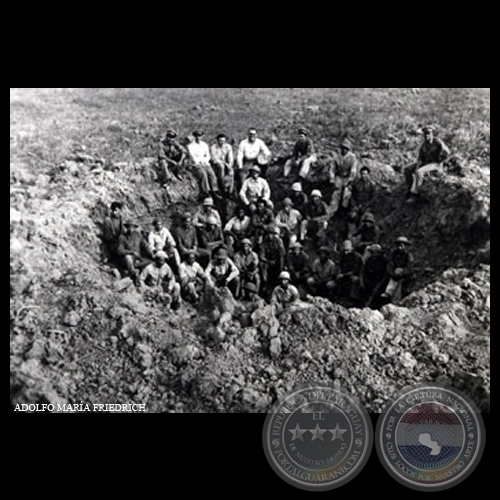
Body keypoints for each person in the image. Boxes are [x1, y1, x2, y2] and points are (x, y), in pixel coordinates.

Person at [405, 126, 450, 202]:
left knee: (419, 172)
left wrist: (440, 162)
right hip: (426, 163)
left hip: (435, 164)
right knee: (407, 169)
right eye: (425, 134)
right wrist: (417, 166)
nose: (426, 136)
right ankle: (409, 188)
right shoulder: (424, 146)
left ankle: (415, 194)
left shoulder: (437, 142)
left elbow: (447, 153)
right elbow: (420, 158)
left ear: (432, 134)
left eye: (428, 134)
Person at [329, 139, 358, 217]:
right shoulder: (337, 157)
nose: (344, 150)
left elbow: (353, 169)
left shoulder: (352, 157)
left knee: (347, 194)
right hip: (339, 176)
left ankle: (344, 210)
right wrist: (332, 179)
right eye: (343, 148)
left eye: (346, 148)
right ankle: (332, 212)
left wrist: (350, 181)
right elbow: (332, 168)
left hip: (347, 177)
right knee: (336, 193)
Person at [187, 130, 219, 197]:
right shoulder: (190, 146)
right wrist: (199, 162)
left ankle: (214, 190)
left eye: (200, 136)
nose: (198, 137)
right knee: (203, 174)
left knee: (212, 174)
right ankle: (206, 191)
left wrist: (205, 161)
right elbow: (192, 156)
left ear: (202, 136)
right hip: (196, 164)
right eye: (197, 136)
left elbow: (207, 155)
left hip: (205, 163)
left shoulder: (204, 145)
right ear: (194, 137)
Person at [382, 237, 414, 303]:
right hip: (393, 275)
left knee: (399, 285)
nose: (400, 247)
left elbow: (409, 268)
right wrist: (392, 273)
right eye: (398, 245)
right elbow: (389, 264)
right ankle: (387, 293)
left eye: (402, 245)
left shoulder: (408, 256)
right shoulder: (393, 254)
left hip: (404, 277)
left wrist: (402, 273)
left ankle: (396, 300)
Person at [260, 224, 286, 293]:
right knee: (262, 265)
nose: (269, 236)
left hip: (277, 261)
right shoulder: (264, 241)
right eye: (268, 234)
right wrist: (268, 261)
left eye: (271, 234)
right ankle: (265, 284)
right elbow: (261, 256)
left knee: (281, 271)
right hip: (268, 261)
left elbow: (282, 255)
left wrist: (281, 267)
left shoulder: (278, 241)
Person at [116, 220, 143, 286]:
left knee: (152, 262)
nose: (130, 229)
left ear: (134, 228)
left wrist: (152, 253)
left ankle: (142, 278)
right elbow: (119, 251)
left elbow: (144, 245)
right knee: (128, 257)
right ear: (126, 228)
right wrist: (132, 252)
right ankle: (134, 274)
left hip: (137, 259)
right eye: (128, 227)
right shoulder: (122, 237)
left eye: (132, 227)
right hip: (126, 260)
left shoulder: (138, 235)